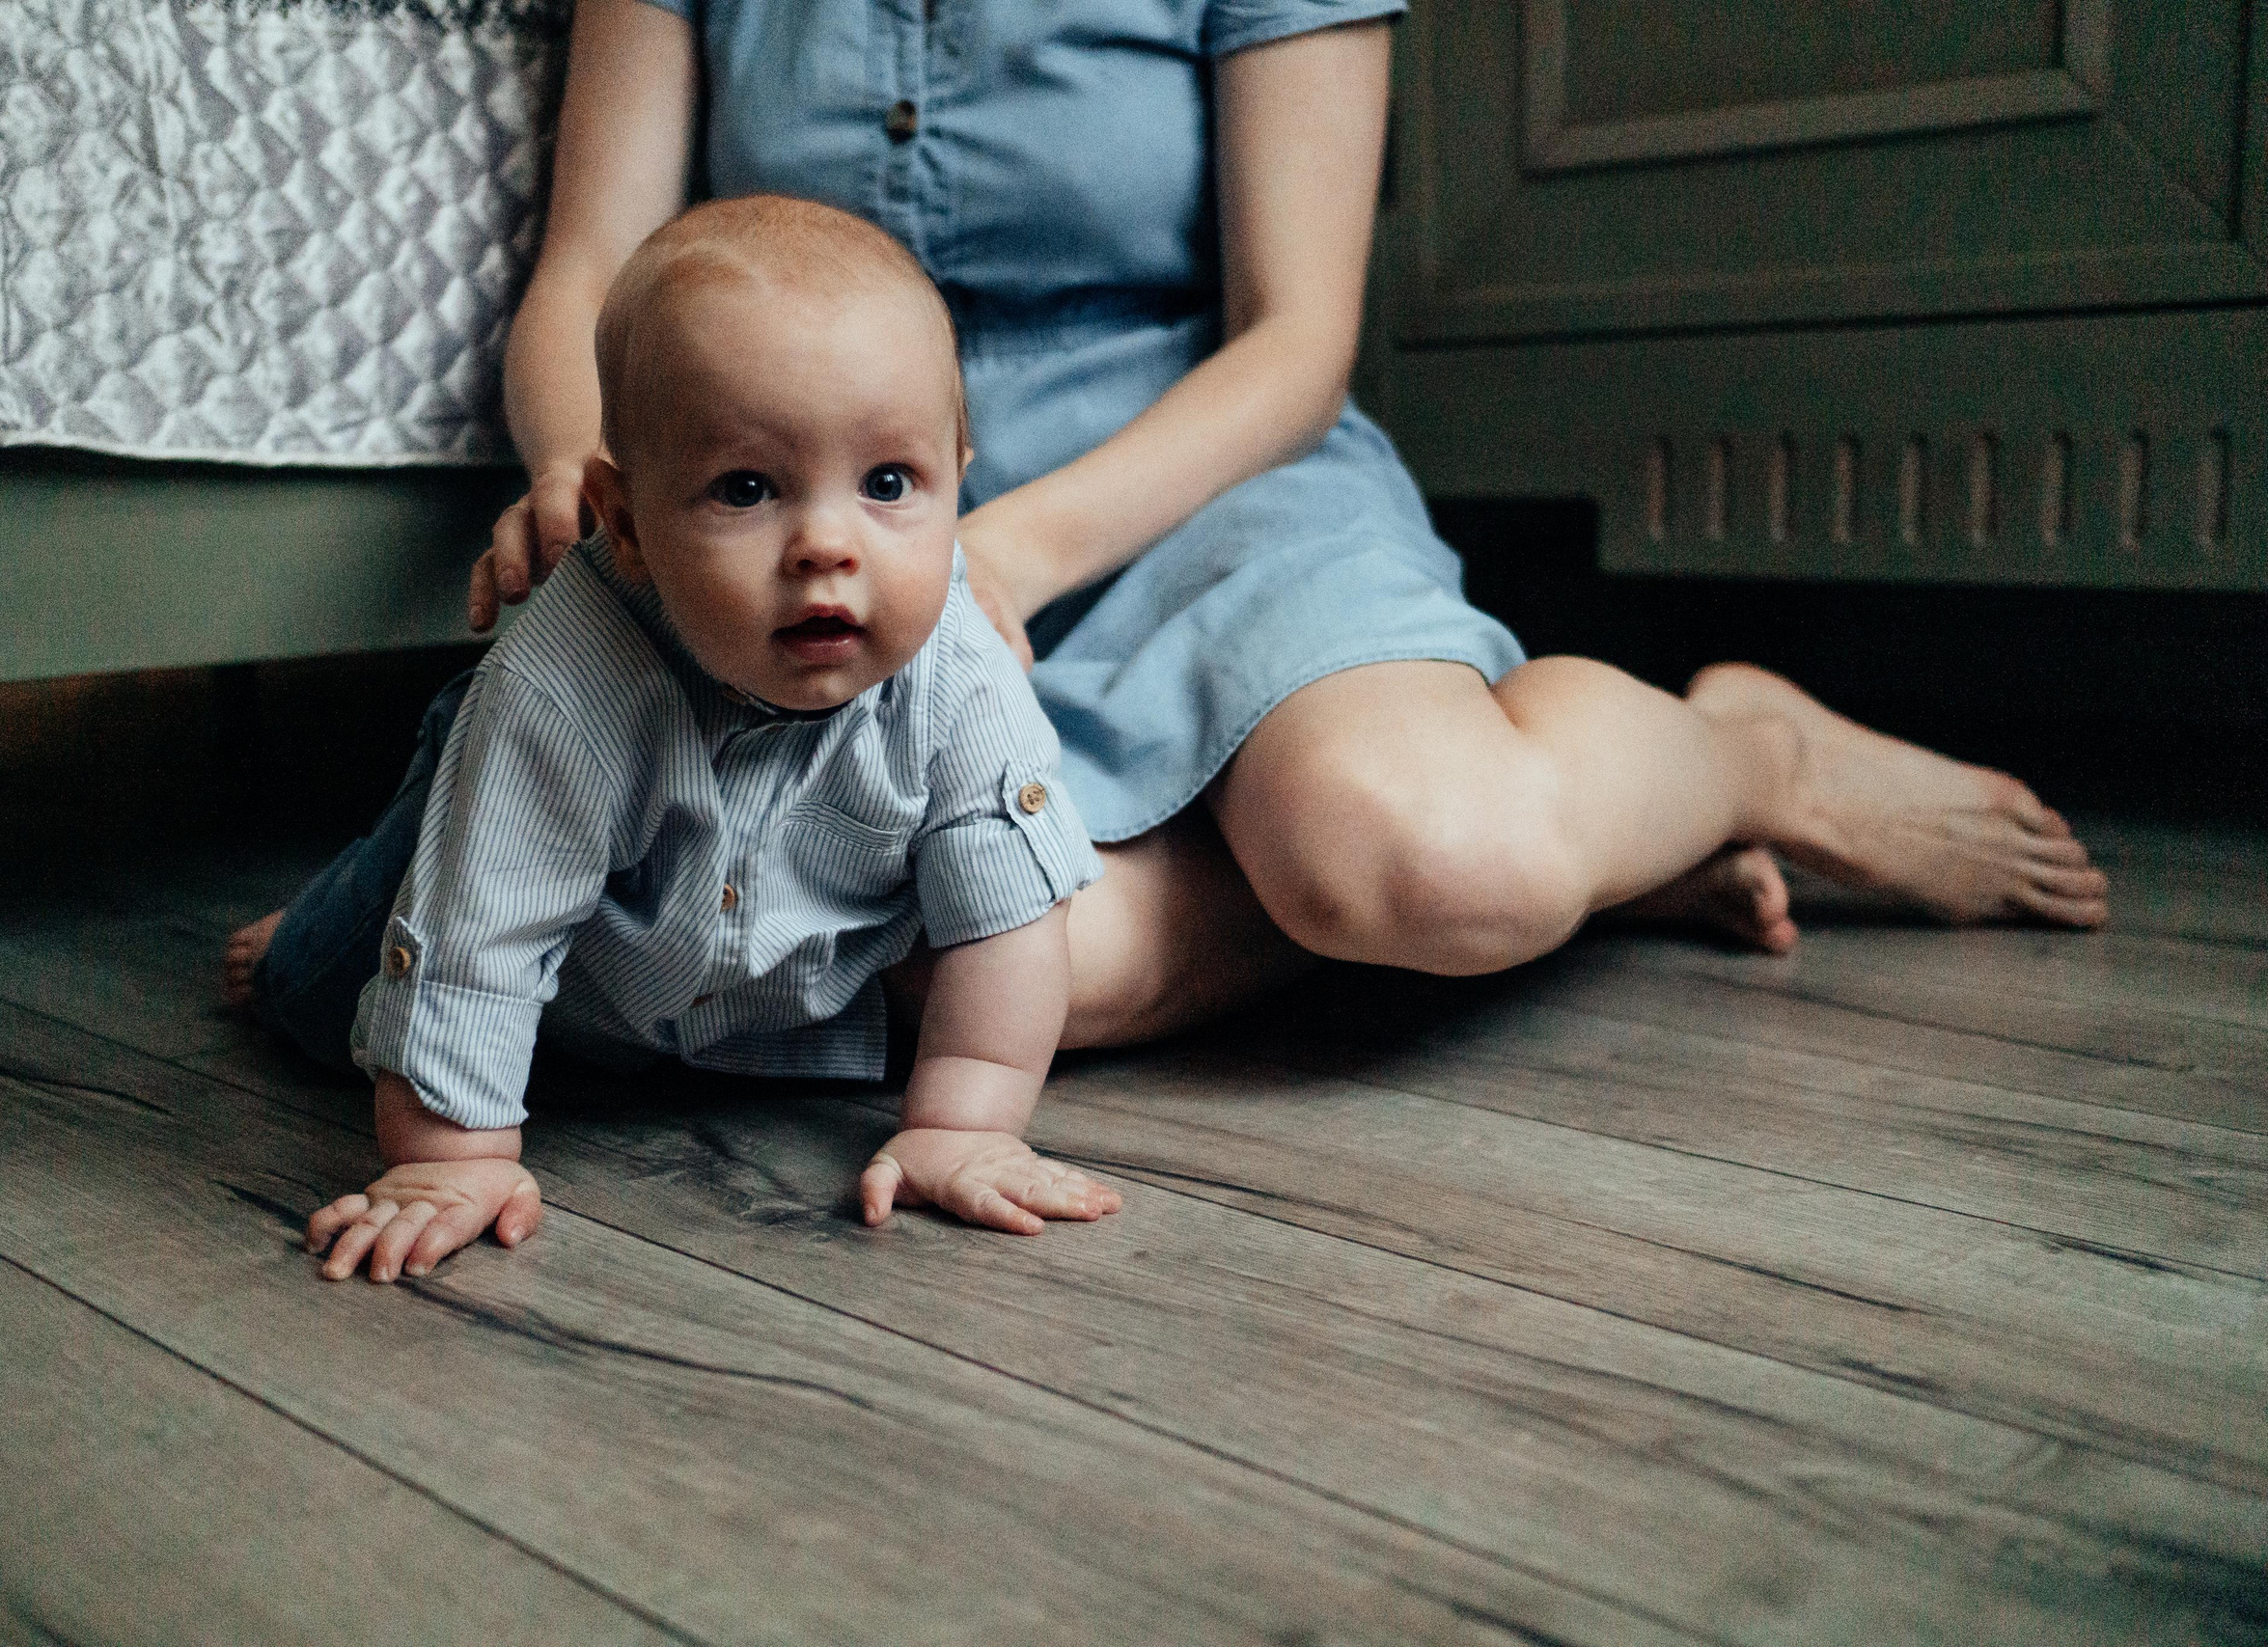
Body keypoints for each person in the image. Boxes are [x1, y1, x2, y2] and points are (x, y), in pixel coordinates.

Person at [235, 0, 2106, 1138]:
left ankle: (1737, 754)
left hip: (1189, 472)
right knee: (938, 979)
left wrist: (1002, 547)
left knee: (1425, 854)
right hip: (832, 518)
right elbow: (587, 272)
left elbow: (1296, 338)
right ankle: (1559, 889)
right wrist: (587, 471)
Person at [301, 197, 1122, 1284]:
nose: (827, 545)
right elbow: (478, 934)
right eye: (747, 488)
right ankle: (318, 923)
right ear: (627, 521)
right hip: (566, 994)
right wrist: (451, 1162)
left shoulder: (961, 672)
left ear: (958, 473)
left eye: (888, 484)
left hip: (767, 993)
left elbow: (1005, 918)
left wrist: (964, 1122)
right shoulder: (561, 689)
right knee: (336, 976)